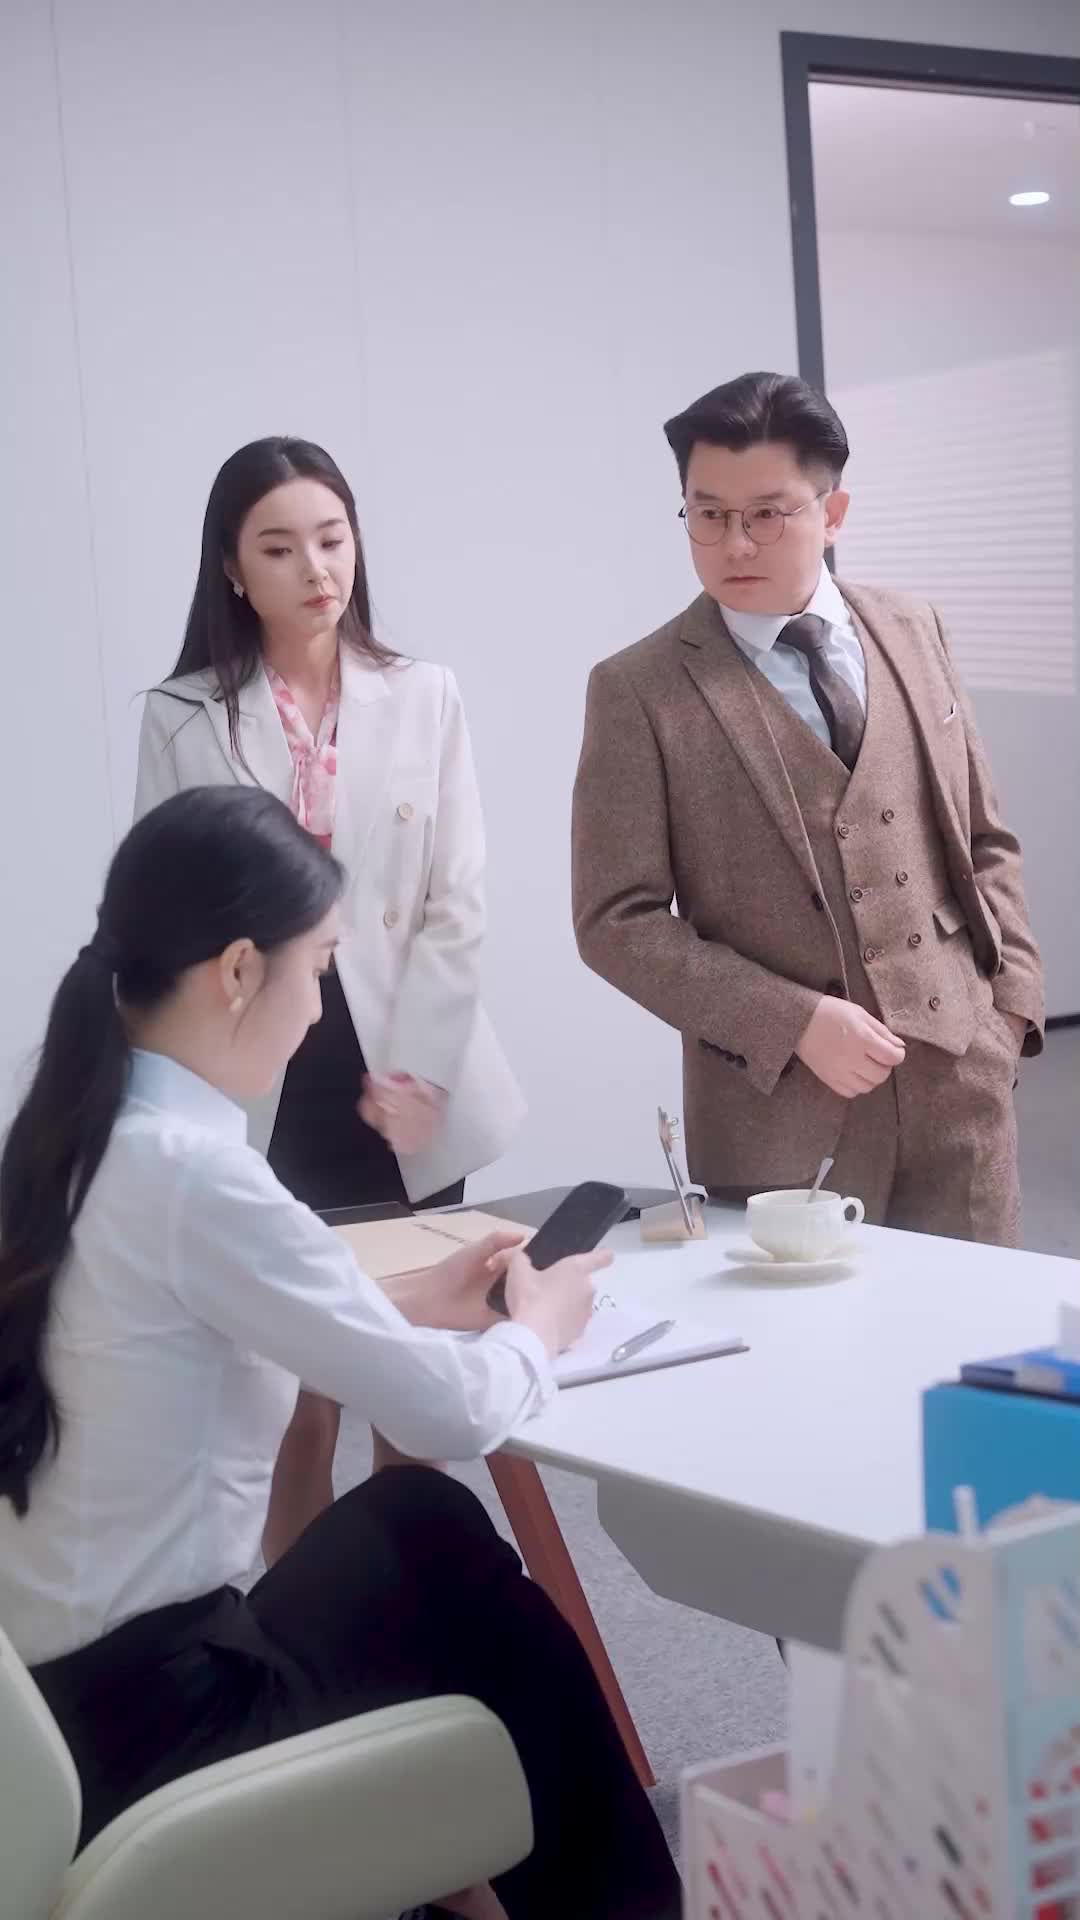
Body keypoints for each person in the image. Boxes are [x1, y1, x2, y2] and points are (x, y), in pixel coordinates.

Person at [0, 786, 680, 1920]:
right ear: (236, 971)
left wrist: (412, 1300)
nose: (319, 1012)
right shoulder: (200, 1176)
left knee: (414, 1528)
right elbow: (450, 1416)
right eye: (318, 968)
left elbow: (199, 1324)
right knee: (457, 1574)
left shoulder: (71, 1143)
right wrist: (538, 1330)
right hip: (166, 1735)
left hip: (65, 1721)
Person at [134, 436, 524, 1556]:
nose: (316, 568)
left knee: (416, 1378)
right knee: (292, 1399)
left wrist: (420, 1070)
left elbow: (458, 899)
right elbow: (169, 912)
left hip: (408, 1071)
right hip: (268, 1082)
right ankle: (298, 1626)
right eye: (279, 547)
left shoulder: (425, 694)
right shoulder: (182, 715)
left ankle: (405, 1605)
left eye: (332, 538)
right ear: (230, 568)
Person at [572, 371, 1044, 1244]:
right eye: (708, 514)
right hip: (778, 1117)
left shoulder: (913, 627)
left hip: (963, 1088)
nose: (734, 543)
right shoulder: (636, 689)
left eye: (768, 514)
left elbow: (983, 837)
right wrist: (791, 1022)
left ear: (833, 514)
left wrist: (1009, 1007)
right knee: (810, 1329)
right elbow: (614, 922)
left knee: (982, 1323)